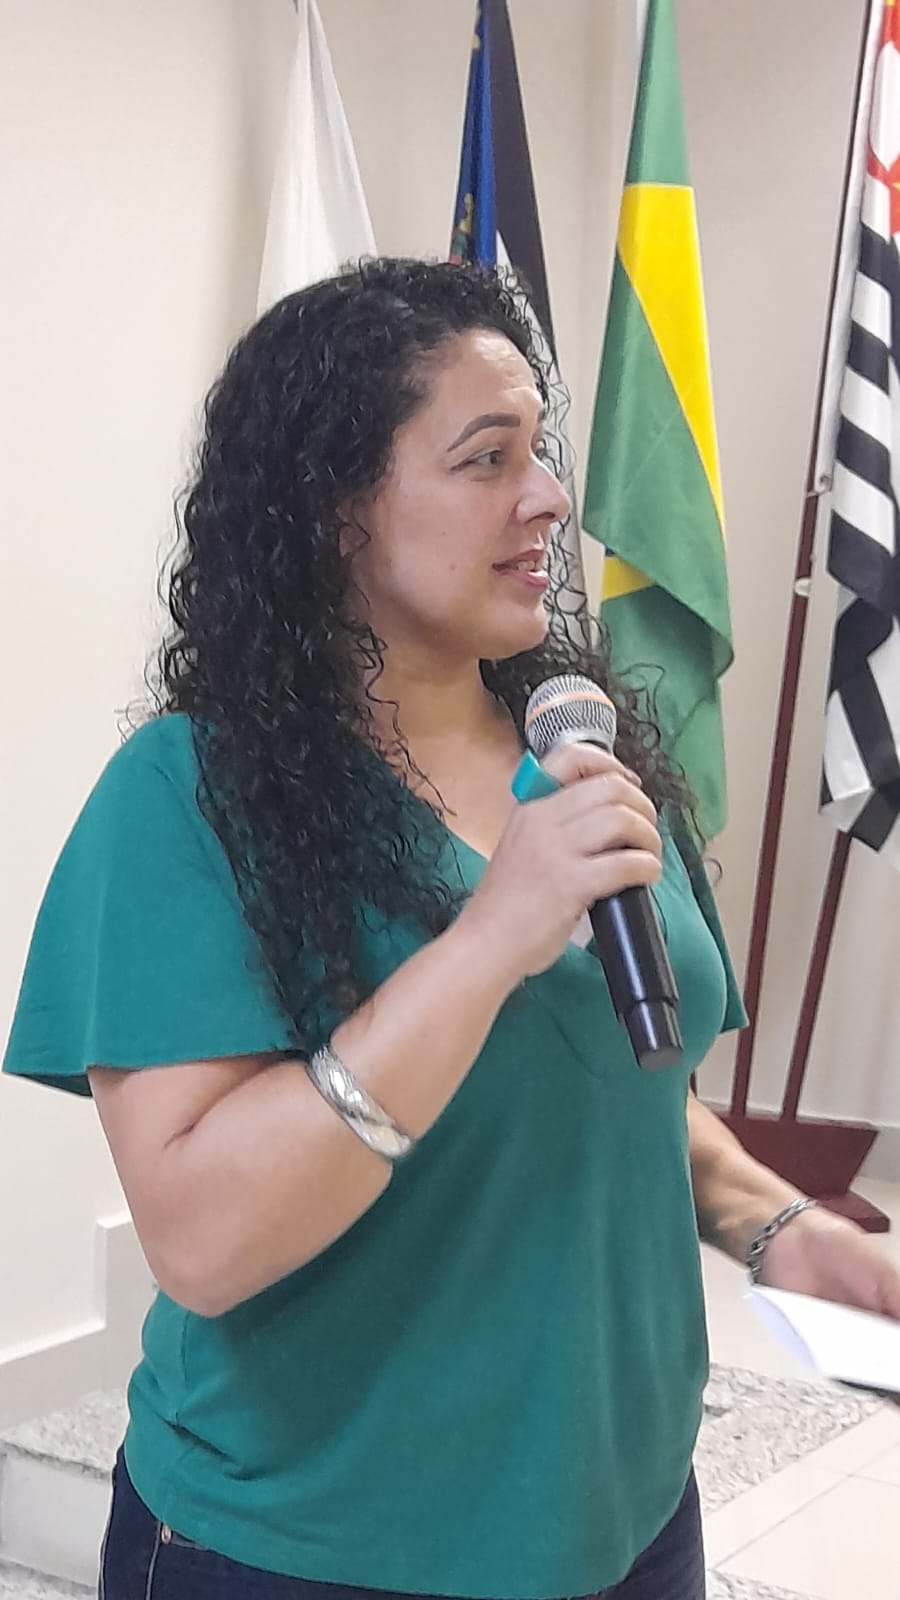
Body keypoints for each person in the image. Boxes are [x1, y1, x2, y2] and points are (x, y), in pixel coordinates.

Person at [4, 258, 899, 1600]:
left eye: (541, 453)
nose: (548, 499)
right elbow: (201, 1241)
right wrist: (485, 945)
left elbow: (627, 1089)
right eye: (487, 459)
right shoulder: (191, 795)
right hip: (315, 1548)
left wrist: (780, 1226)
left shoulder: (583, 749)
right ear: (334, 507)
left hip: (627, 1521)